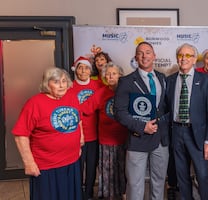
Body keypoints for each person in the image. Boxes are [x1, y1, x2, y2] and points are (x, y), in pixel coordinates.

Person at [12, 67, 83, 200]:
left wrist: (80, 142)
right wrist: (29, 163)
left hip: (71, 162)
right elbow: (20, 135)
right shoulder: (34, 103)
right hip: (47, 166)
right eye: (56, 82)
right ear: (46, 84)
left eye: (64, 81)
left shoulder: (72, 97)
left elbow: (78, 120)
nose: (62, 85)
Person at [113, 41, 169, 200]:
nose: (145, 56)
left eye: (148, 52)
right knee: (135, 184)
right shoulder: (127, 81)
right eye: (140, 53)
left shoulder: (162, 77)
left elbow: (164, 107)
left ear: (154, 56)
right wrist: (142, 126)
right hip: (138, 138)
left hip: (161, 139)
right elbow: (119, 112)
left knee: (158, 181)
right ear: (136, 57)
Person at [166, 43, 208, 200]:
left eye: (188, 55)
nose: (184, 58)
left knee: (202, 175)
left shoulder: (206, 80)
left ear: (195, 59)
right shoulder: (170, 80)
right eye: (181, 55)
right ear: (177, 58)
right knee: (182, 176)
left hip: (198, 135)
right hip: (176, 131)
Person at [81, 62, 128, 200]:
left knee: (126, 171)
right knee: (108, 172)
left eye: (114, 73)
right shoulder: (100, 93)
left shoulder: (127, 91)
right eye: (107, 74)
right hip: (106, 140)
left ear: (120, 75)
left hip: (125, 140)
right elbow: (85, 108)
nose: (110, 76)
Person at [69, 56, 100, 200]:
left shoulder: (97, 85)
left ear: (90, 70)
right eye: (80, 67)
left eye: (86, 67)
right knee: (78, 167)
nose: (83, 70)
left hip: (95, 134)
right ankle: (78, 193)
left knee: (92, 166)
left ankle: (89, 193)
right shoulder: (70, 86)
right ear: (76, 70)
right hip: (76, 135)